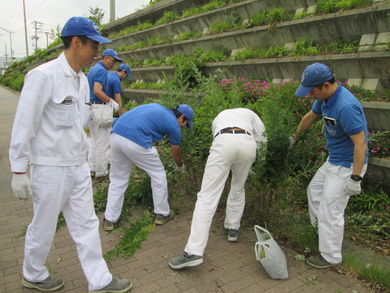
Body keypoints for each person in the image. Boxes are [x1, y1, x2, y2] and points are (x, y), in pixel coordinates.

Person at [9, 17, 132, 292]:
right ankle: (33, 272)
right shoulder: (43, 76)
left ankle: (100, 280)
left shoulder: (81, 80)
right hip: (50, 167)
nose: (97, 53)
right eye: (93, 46)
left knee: (87, 224)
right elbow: (24, 123)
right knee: (44, 224)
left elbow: (78, 124)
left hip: (76, 165)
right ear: (76, 42)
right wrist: (18, 169)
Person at [289, 63, 368, 269]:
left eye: (312, 91)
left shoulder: (345, 106)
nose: (310, 95)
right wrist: (294, 138)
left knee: (330, 211)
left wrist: (355, 177)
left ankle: (331, 256)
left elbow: (360, 144)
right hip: (333, 160)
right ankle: (323, 234)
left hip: (347, 166)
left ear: (325, 85)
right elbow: (309, 117)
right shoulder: (325, 99)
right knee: (314, 192)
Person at [169, 108, 267, 269]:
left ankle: (193, 251)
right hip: (248, 145)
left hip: (224, 141)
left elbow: (219, 139)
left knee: (207, 196)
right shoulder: (251, 114)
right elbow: (262, 138)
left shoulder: (219, 116)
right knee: (238, 187)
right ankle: (232, 229)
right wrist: (258, 162)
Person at [103, 103, 194, 231]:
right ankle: (162, 213)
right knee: (158, 175)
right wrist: (180, 167)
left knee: (118, 180)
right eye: (186, 123)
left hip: (116, 135)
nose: (184, 127)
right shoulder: (174, 124)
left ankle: (109, 219)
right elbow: (176, 153)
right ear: (182, 117)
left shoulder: (157, 108)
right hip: (135, 140)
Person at [87, 48, 122, 179]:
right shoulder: (101, 71)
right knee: (102, 142)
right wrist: (111, 101)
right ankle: (101, 171)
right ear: (106, 58)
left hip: (91, 108)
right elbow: (97, 90)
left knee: (95, 141)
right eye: (113, 61)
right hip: (100, 109)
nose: (113, 64)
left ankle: (92, 167)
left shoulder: (93, 69)